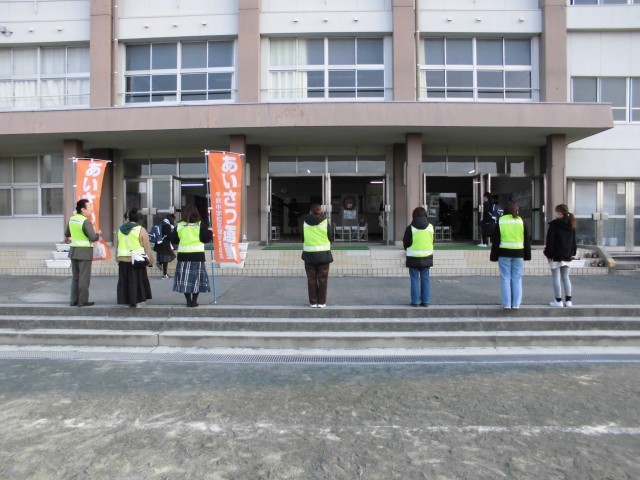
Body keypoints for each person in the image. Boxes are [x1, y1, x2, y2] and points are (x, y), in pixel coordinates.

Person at [490, 201, 531, 309]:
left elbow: (496, 240)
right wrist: (527, 255)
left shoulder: (501, 221)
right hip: (519, 253)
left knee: (505, 278)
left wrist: (493, 256)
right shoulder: (521, 221)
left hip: (504, 253)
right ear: (516, 210)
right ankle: (516, 304)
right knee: (517, 278)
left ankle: (506, 304)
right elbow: (527, 240)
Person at [170, 204, 213, 307]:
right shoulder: (200, 225)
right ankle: (194, 301)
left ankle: (188, 301)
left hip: (183, 257)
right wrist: (210, 232)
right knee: (197, 280)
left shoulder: (180, 225)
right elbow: (206, 239)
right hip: (198, 257)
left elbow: (174, 239)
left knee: (185, 281)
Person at [64, 198, 101, 307]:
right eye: (89, 207)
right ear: (82, 209)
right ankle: (82, 300)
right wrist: (98, 233)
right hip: (84, 252)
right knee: (84, 278)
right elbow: (93, 238)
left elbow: (67, 234)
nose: (91, 209)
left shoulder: (72, 219)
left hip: (74, 251)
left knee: (76, 277)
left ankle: (73, 300)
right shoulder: (86, 221)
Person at [116, 208, 154, 308]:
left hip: (123, 260)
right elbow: (147, 247)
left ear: (127, 218)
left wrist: (117, 259)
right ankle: (137, 301)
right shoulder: (141, 229)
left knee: (124, 281)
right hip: (137, 260)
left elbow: (117, 245)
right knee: (138, 281)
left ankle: (126, 301)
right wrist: (150, 261)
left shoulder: (120, 230)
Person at [543, 204, 577, 307]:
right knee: (566, 277)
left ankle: (558, 300)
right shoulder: (571, 223)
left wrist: (548, 254)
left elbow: (550, 241)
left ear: (559, 212)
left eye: (556, 211)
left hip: (556, 254)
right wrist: (572, 252)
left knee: (556, 278)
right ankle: (568, 300)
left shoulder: (554, 224)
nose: (555, 213)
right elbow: (574, 240)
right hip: (567, 254)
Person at [301, 203, 333, 308]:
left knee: (311, 279)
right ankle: (322, 302)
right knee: (323, 279)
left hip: (309, 254)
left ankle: (313, 302)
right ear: (320, 211)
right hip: (323, 254)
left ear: (310, 211)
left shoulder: (305, 222)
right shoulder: (325, 221)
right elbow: (330, 237)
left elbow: (302, 237)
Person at [403, 207, 434, 307]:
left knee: (414, 279)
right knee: (425, 278)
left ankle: (415, 301)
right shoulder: (431, 227)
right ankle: (426, 301)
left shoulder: (410, 228)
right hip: (427, 257)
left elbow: (405, 243)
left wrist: (408, 250)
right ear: (425, 215)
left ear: (414, 216)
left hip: (413, 258)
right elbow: (432, 241)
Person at [154, 213, 176, 279]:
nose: (174, 221)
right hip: (165, 245)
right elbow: (169, 236)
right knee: (167, 259)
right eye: (173, 219)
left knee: (167, 259)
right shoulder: (167, 225)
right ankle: (164, 274)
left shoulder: (163, 223)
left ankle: (160, 264)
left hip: (161, 244)